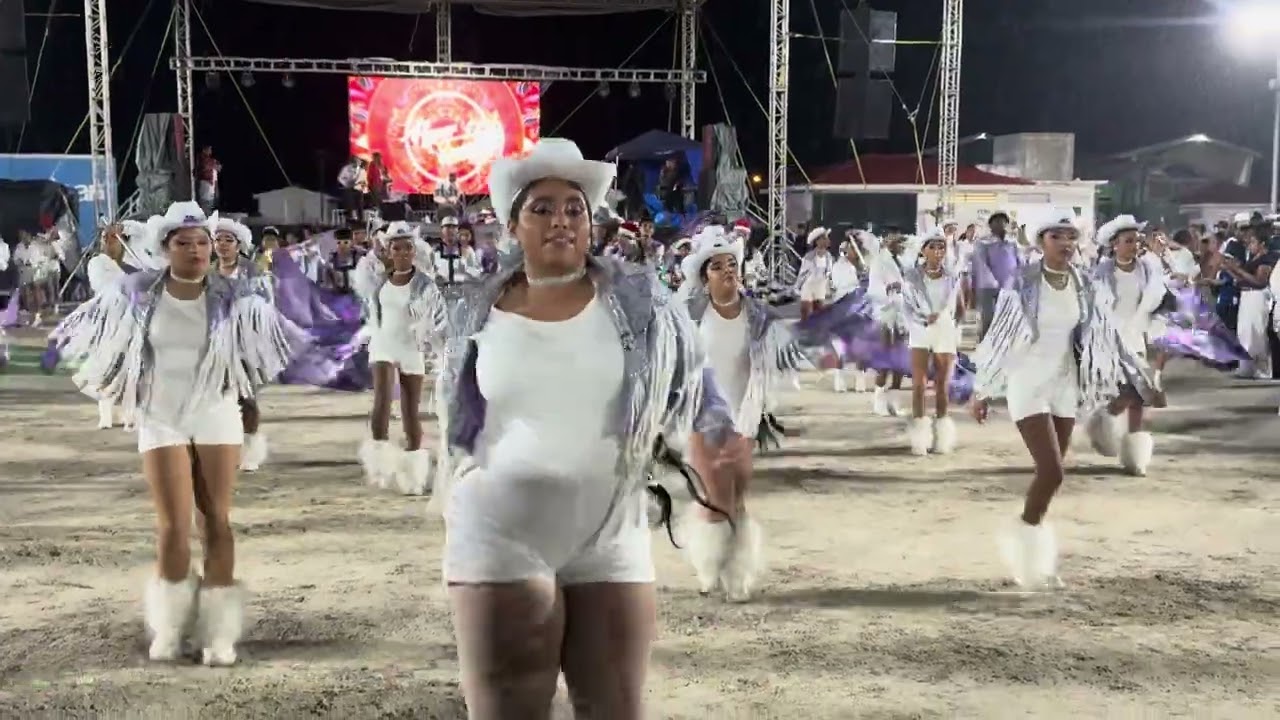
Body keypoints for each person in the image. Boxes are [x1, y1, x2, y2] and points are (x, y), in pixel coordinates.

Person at [433, 138, 741, 718]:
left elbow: (694, 386)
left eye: (574, 208)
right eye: (541, 208)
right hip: (501, 533)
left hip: (611, 530)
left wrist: (719, 444)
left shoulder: (640, 305)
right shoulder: (473, 313)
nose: (561, 220)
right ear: (512, 225)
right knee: (510, 707)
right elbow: (458, 414)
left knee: (615, 705)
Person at [46, 201, 302, 666]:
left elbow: (267, 344)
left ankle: (218, 632)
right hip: (160, 416)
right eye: (184, 243)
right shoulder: (138, 291)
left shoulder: (234, 294)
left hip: (216, 414)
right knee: (172, 526)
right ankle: (169, 627)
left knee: (217, 521)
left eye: (202, 242)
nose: (196, 250)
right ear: (165, 249)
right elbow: (96, 318)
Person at [970, 209, 1159, 590]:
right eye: (1057, 236)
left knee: (1055, 477)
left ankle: (1035, 555)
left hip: (1065, 385)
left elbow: (1105, 333)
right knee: (1051, 471)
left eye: (1071, 236)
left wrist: (1133, 373)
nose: (1066, 243)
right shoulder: (1022, 281)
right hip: (1028, 381)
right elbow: (1002, 334)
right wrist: (983, 387)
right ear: (1041, 242)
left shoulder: (1085, 283)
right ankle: (1025, 551)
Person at [352, 222, 439, 495]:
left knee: (410, 411)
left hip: (411, 348)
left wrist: (424, 331)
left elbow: (435, 319)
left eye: (407, 248)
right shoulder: (379, 281)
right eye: (396, 247)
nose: (401, 252)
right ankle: (379, 464)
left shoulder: (425, 284)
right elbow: (365, 295)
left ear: (414, 251)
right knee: (382, 398)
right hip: (383, 344)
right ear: (388, 251)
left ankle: (413, 474)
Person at [1082, 216, 1167, 476]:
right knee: (1125, 394)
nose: (1134, 245)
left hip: (1139, 338)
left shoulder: (1148, 269)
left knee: (1140, 397)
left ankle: (1135, 456)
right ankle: (1103, 422)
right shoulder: (1102, 272)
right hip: (1111, 341)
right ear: (1114, 245)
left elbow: (1157, 302)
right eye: (1128, 241)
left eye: (1137, 240)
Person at [902, 229, 964, 455]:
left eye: (941, 247)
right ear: (923, 250)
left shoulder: (952, 276)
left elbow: (959, 306)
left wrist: (949, 323)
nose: (938, 252)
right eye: (933, 247)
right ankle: (919, 437)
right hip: (919, 330)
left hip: (944, 330)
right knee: (918, 384)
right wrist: (922, 319)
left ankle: (942, 436)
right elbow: (907, 307)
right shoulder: (911, 276)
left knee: (942, 386)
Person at [970, 211, 1021, 341]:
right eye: (997, 221)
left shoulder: (1012, 243)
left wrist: (1019, 281)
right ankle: (984, 348)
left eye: (1004, 221)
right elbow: (981, 265)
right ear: (991, 225)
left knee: (1008, 319)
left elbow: (1019, 263)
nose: (1001, 224)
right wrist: (994, 284)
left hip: (1009, 287)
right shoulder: (983, 243)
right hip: (988, 288)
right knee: (989, 318)